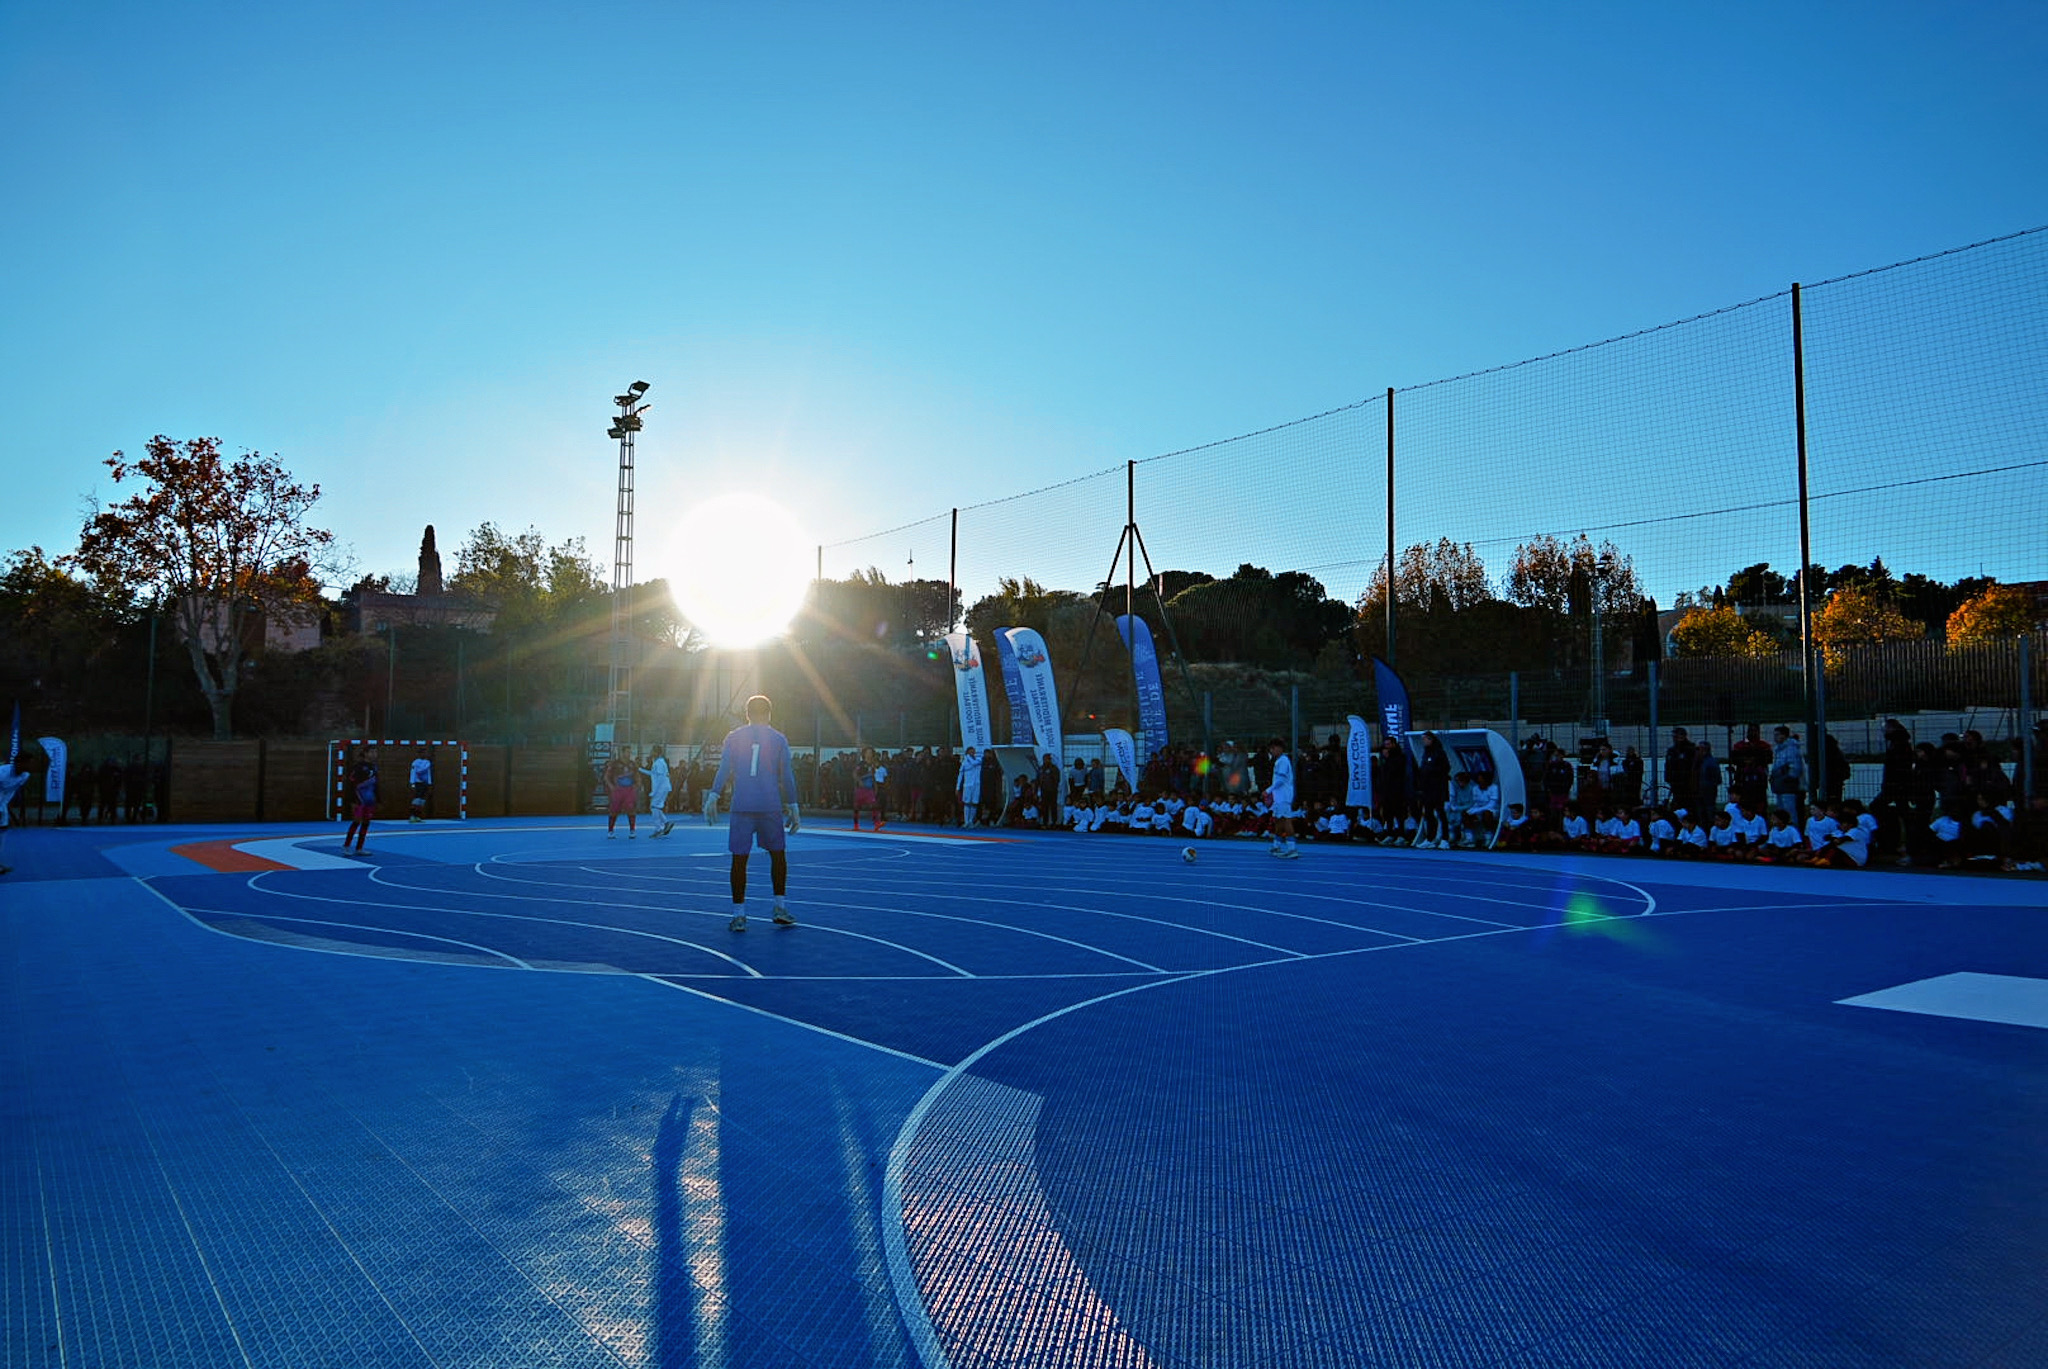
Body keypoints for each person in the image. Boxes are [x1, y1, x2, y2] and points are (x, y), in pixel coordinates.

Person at [708, 695, 800, 931]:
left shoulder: (734, 737)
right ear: (770, 714)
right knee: (778, 856)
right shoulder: (779, 739)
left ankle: (739, 915)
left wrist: (713, 795)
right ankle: (780, 906)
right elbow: (787, 775)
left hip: (742, 805)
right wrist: (794, 805)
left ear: (746, 715)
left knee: (740, 860)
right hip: (770, 804)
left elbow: (724, 768)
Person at [1263, 738, 1300, 858]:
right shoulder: (1279, 761)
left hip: (1284, 797)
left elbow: (1281, 780)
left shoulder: (1283, 761)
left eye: (1273, 748)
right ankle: (1276, 846)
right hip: (1279, 798)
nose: (1271, 751)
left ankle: (1292, 849)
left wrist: (1267, 791)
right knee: (1279, 821)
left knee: (1286, 821)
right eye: (1270, 749)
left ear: (1279, 748)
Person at [344, 747, 379, 855]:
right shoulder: (358, 767)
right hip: (358, 799)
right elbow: (352, 783)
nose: (374, 754)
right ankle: (346, 846)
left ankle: (359, 848)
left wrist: (378, 799)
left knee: (366, 823)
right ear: (365, 753)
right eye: (372, 752)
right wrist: (353, 799)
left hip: (370, 799)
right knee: (356, 821)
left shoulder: (374, 767)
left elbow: (376, 784)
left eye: (375, 752)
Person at [1770, 726, 1807, 822]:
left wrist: (1784, 778)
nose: (1775, 737)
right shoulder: (1779, 749)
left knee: (1790, 812)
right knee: (1783, 811)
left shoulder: (1791, 748)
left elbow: (1795, 768)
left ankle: (1794, 832)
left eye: (1777, 735)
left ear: (1784, 736)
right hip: (1781, 785)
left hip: (1789, 787)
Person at [0, 759, 30, 875]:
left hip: (3, 804)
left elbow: (11, 791)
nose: (30, 765)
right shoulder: (2, 772)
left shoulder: (25, 775)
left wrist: (3, 806)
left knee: (2, 833)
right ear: (18, 763)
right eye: (28, 762)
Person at [604, 747, 640, 838]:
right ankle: (610, 831)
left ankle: (632, 830)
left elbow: (637, 776)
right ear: (622, 752)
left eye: (629, 752)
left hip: (629, 790)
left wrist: (636, 786)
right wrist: (611, 786)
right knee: (614, 810)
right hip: (618, 790)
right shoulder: (614, 764)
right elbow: (607, 776)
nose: (629, 754)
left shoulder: (633, 764)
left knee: (631, 809)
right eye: (627, 752)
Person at [647, 749, 675, 837]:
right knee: (656, 807)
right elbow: (653, 774)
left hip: (661, 788)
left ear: (656, 753)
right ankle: (666, 823)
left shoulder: (658, 763)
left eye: (652, 751)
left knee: (654, 807)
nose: (651, 753)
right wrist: (640, 769)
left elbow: (659, 778)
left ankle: (658, 829)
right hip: (663, 787)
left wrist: (654, 792)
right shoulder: (660, 762)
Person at [956, 746, 982, 826]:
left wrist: (967, 757)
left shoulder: (979, 759)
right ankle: (966, 821)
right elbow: (960, 775)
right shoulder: (964, 762)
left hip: (976, 784)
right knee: (967, 802)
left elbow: (974, 763)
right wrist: (957, 787)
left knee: (974, 802)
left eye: (973, 751)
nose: (972, 753)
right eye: (970, 752)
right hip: (967, 785)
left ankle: (971, 821)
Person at [408, 748, 433, 823]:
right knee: (416, 800)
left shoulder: (427, 762)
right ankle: (412, 816)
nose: (424, 754)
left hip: (425, 783)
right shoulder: (415, 763)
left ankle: (417, 816)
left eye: (425, 753)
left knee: (422, 801)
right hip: (418, 783)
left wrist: (429, 783)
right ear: (419, 754)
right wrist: (412, 783)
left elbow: (428, 774)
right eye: (422, 753)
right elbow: (414, 773)